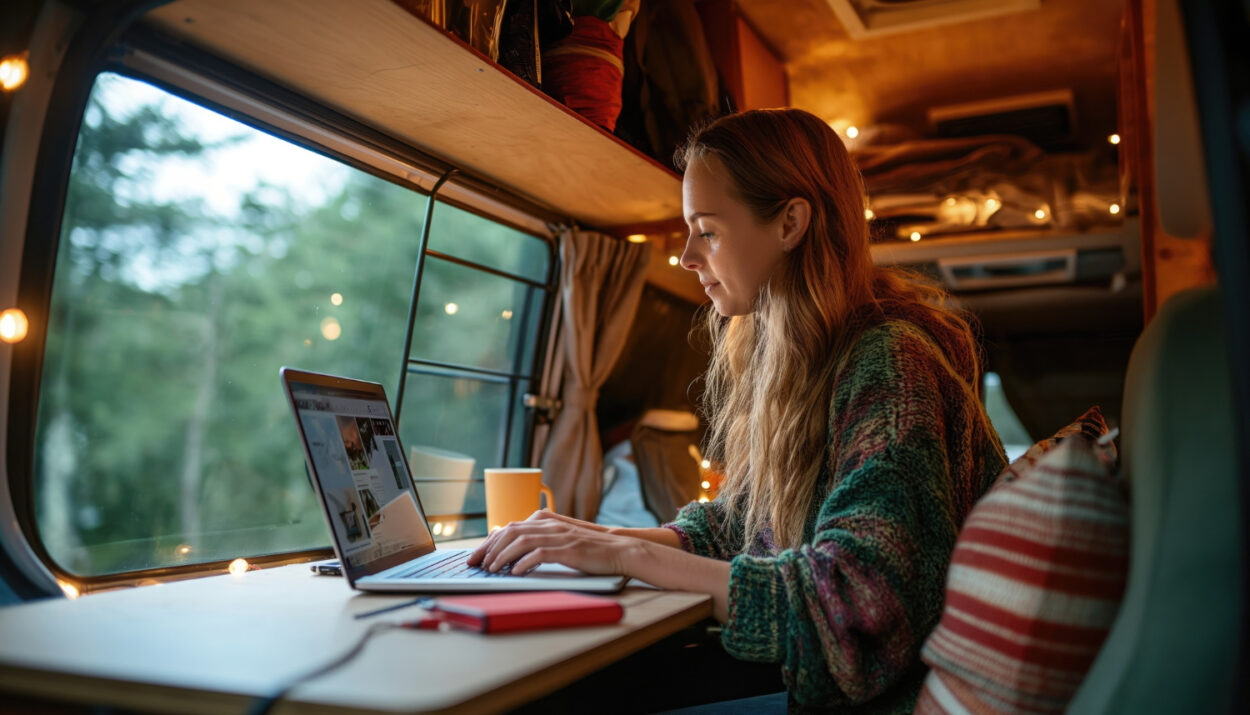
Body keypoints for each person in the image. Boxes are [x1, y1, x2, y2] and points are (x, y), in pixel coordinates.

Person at [468, 108, 1007, 712]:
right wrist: (594, 535)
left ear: (790, 223)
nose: (686, 257)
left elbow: (860, 603)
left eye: (709, 230)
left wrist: (627, 555)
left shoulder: (889, 362)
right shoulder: (805, 359)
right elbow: (739, 525)